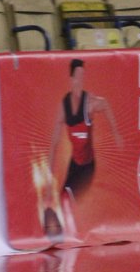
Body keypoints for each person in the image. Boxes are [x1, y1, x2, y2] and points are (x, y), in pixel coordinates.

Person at [47, 57, 122, 199]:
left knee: (73, 200)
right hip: (74, 163)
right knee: (63, 197)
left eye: (83, 76)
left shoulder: (89, 104)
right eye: (78, 76)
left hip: (87, 167)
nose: (80, 80)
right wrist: (49, 182)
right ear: (71, 78)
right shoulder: (64, 106)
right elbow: (54, 144)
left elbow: (105, 104)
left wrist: (116, 133)